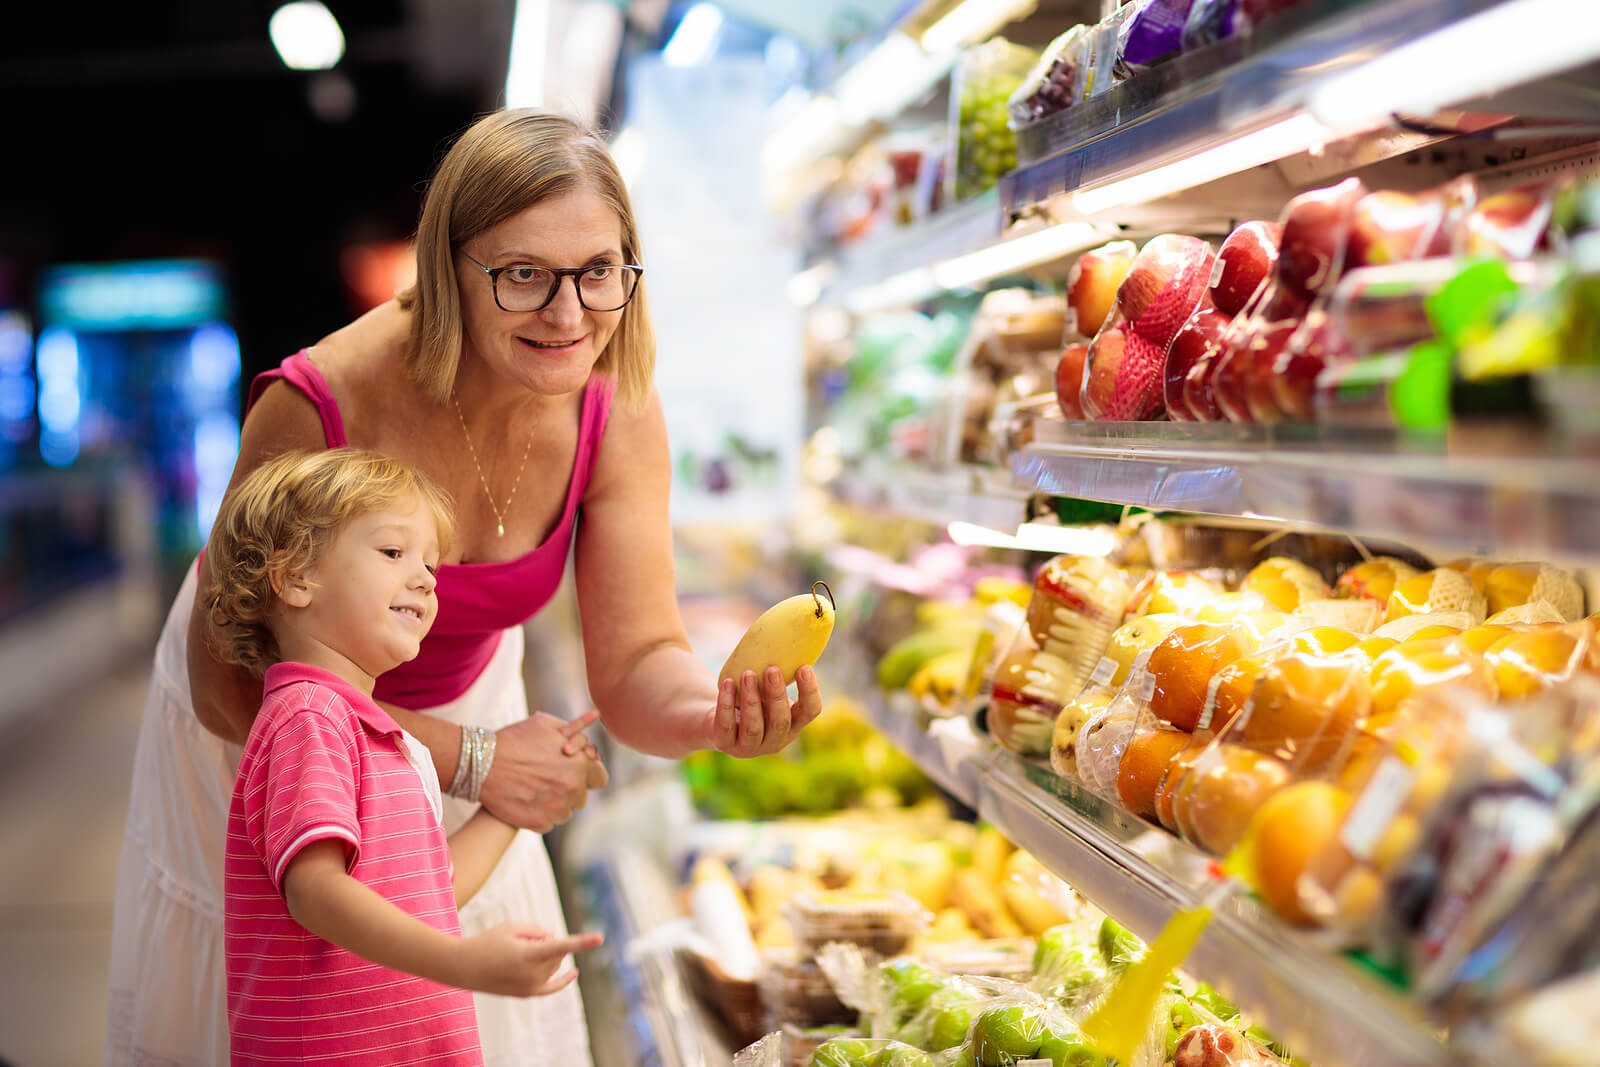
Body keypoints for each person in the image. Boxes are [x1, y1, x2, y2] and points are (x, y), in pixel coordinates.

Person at [106, 108, 825, 1067]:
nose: (567, 315)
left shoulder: (617, 405)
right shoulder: (322, 400)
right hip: (283, 721)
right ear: (450, 269)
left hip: (463, 716)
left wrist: (713, 714)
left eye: (599, 272)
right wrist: (470, 760)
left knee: (454, 1001)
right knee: (305, 1000)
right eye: (523, 274)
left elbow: (639, 659)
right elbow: (227, 678)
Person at [207, 447, 603, 1065]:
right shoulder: (308, 716)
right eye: (394, 553)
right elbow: (313, 890)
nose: (424, 578)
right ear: (295, 577)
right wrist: (461, 960)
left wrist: (517, 806)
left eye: (431, 565)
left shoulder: (373, 734)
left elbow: (426, 889)